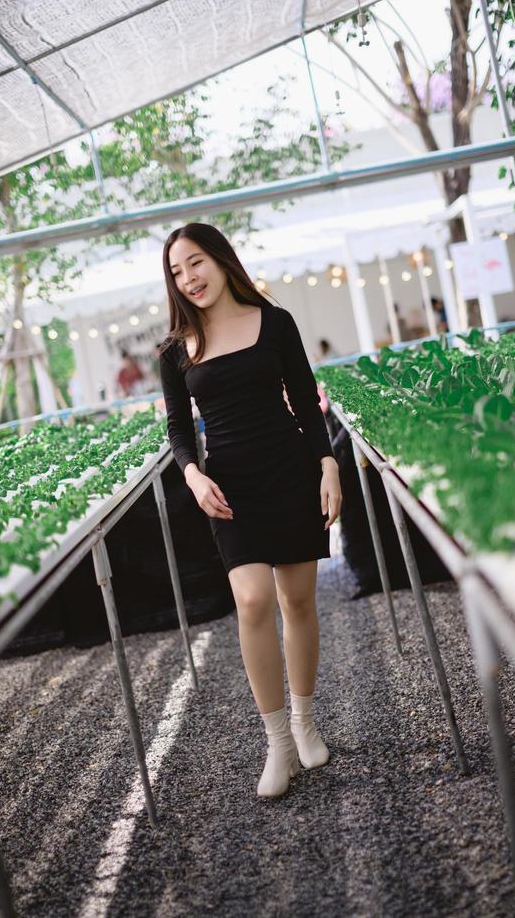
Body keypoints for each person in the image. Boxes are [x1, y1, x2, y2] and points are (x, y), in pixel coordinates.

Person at [158, 222, 342, 799]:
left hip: (290, 471)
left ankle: (305, 721)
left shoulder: (275, 321)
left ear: (219, 259)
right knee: (254, 600)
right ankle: (277, 741)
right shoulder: (176, 349)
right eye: (176, 271)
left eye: (195, 263)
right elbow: (178, 430)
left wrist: (328, 464)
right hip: (230, 484)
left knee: (298, 600)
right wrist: (192, 474)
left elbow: (309, 403)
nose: (187, 278)